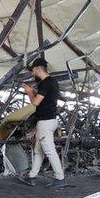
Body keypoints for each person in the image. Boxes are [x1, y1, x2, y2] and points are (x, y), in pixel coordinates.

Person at [17, 57, 66, 188]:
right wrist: (33, 91)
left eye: (33, 70)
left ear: (39, 69)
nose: (32, 73)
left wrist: (29, 92)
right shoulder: (52, 82)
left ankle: (60, 178)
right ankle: (32, 176)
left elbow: (35, 102)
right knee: (38, 150)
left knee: (49, 150)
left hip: (45, 122)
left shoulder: (45, 83)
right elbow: (44, 99)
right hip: (49, 120)